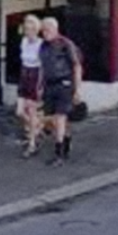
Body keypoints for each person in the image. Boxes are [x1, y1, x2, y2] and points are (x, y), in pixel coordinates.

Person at [37, 17, 84, 161]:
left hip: (64, 84)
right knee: (50, 119)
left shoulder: (66, 44)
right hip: (49, 84)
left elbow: (77, 66)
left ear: (55, 29)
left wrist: (77, 89)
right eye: (43, 30)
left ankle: (59, 152)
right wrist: (39, 85)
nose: (45, 33)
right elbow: (42, 67)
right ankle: (66, 138)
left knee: (60, 116)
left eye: (47, 30)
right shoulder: (43, 46)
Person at [14, 13, 45, 156]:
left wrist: (41, 85)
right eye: (26, 28)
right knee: (20, 111)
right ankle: (37, 127)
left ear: (36, 29)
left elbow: (43, 66)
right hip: (24, 75)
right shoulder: (24, 41)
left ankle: (32, 143)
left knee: (32, 111)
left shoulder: (41, 44)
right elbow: (23, 60)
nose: (27, 31)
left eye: (30, 28)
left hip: (35, 76)